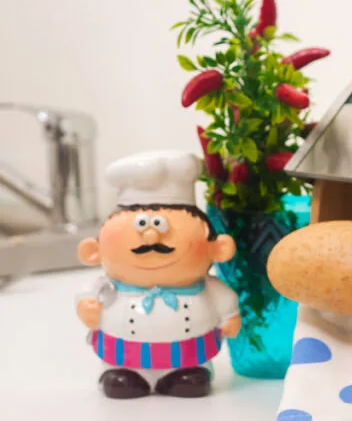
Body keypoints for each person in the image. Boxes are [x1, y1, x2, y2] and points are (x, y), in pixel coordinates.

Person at [75, 150, 241, 399]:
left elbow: (225, 301)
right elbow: (86, 295)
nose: (151, 237)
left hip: (187, 356)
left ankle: (186, 373)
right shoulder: (108, 286)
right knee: (122, 380)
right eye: (140, 227)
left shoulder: (207, 288)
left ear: (218, 248)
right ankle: (125, 373)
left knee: (189, 379)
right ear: (93, 252)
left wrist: (230, 317)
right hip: (124, 356)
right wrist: (86, 306)